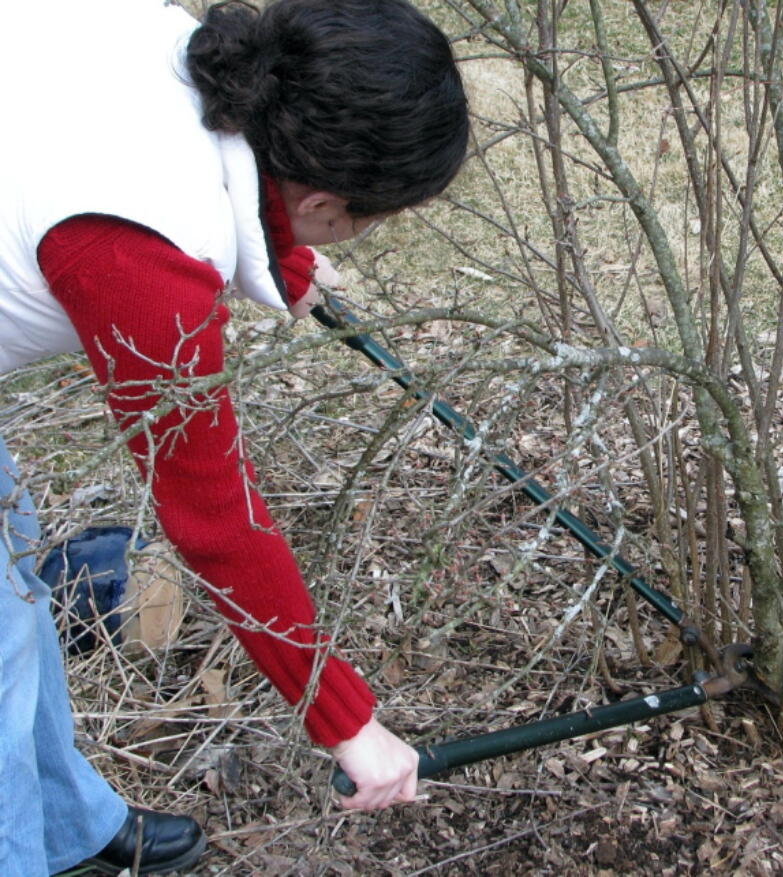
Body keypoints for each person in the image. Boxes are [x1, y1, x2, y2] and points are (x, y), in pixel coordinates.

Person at [0, 0, 469, 872]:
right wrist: (348, 720)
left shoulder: (189, 48)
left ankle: (63, 828)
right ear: (324, 199)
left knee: (13, 572)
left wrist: (280, 256)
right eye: (365, 221)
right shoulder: (139, 242)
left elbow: (223, 183)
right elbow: (216, 522)